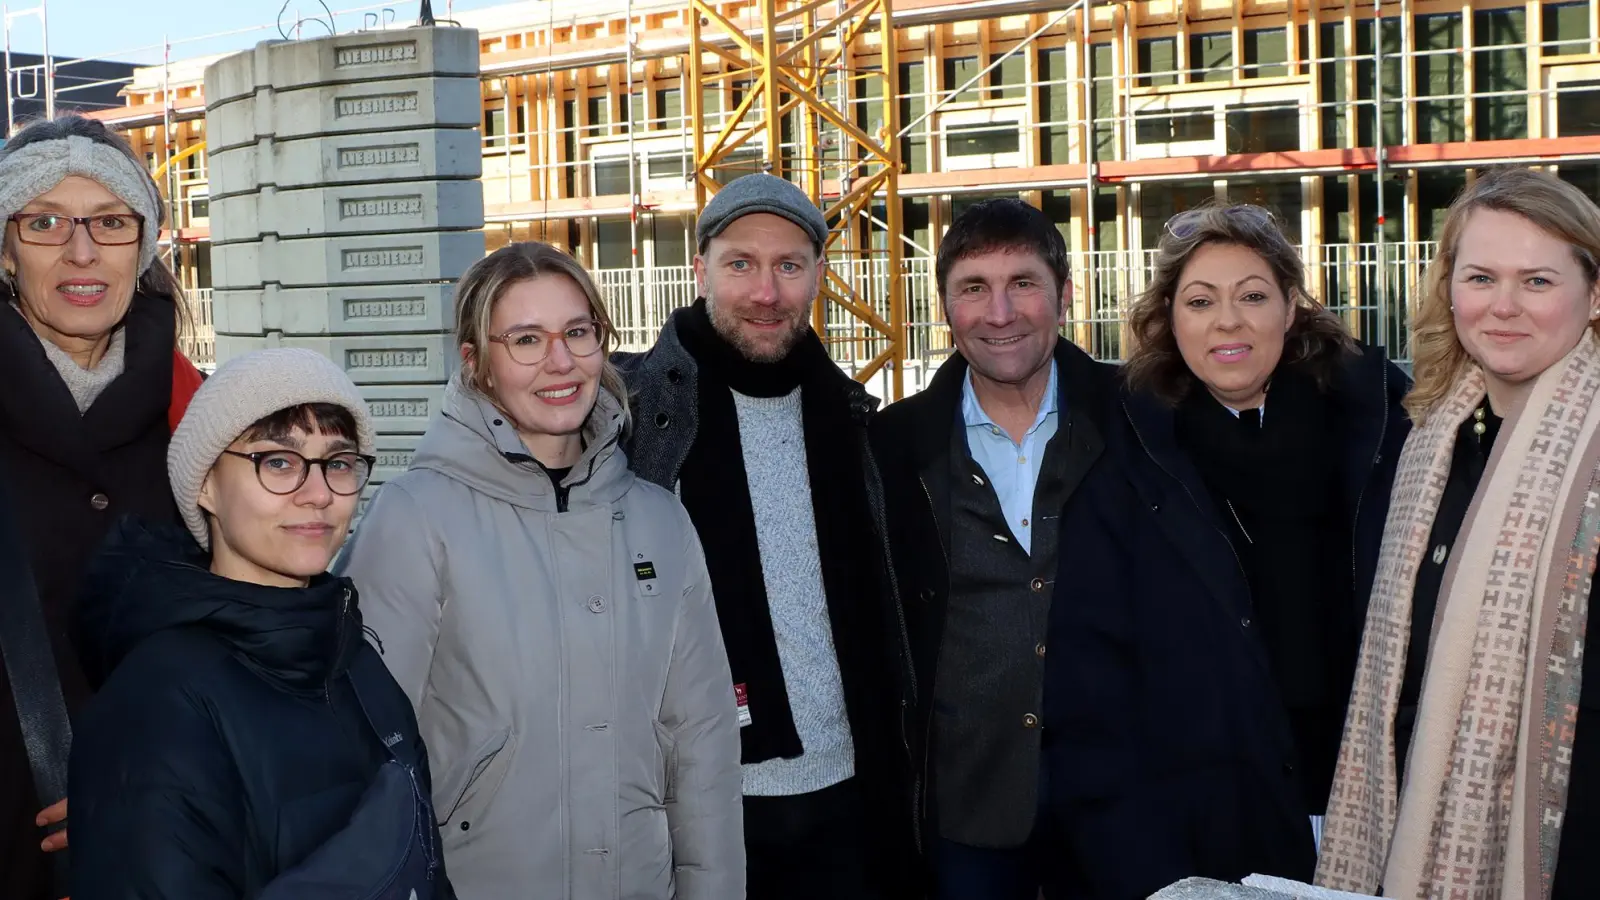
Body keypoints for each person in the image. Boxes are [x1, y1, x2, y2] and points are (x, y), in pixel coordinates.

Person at [338, 241, 744, 899]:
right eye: (526, 339)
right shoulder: (417, 517)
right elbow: (364, 753)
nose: (561, 362)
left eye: (577, 332)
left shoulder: (658, 520)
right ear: (477, 363)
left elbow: (702, 749)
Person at [1044, 202, 1410, 897]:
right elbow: (1089, 679)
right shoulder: (1123, 454)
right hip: (1200, 827)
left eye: (1252, 296)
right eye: (1201, 300)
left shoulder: (1384, 424)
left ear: (1292, 307)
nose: (1228, 321)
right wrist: (1144, 865)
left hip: (1375, 811)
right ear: (1168, 318)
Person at [618, 172, 915, 899]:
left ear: (818, 274)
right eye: (741, 263)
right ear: (700, 271)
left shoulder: (853, 419)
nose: (766, 292)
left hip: (852, 790)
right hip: (697, 803)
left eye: (789, 266)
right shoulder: (630, 419)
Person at [67, 348, 451, 898]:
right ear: (205, 486)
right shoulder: (158, 704)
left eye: (338, 463)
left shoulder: (355, 659)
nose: (318, 494)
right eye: (278, 462)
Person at [1317, 169, 1600, 899]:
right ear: (1450, 289)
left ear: (1594, 295)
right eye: (1480, 277)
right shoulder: (1430, 442)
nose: (1503, 306)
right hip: (1412, 830)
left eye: (1537, 281)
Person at [870, 197, 1114, 898]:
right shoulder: (893, 448)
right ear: (944, 306)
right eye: (974, 288)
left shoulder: (1138, 422)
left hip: (1114, 802)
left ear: (1065, 295)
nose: (1000, 314)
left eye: (1023, 283)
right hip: (962, 812)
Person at [0, 113, 204, 900]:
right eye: (45, 220)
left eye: (111, 222)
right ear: (6, 247)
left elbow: (260, 638)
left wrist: (163, 775)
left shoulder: (205, 420)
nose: (81, 252)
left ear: (144, 242)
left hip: (173, 842)